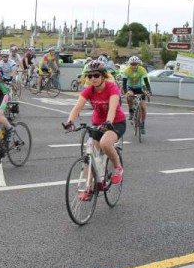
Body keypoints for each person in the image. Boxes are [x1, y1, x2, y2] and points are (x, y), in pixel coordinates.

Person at [64, 61, 125, 199]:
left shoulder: (112, 88)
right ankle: (88, 187)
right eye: (89, 76)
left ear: (103, 76)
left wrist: (108, 122)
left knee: (105, 143)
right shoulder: (89, 90)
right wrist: (70, 122)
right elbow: (77, 107)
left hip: (115, 122)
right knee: (89, 153)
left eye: (96, 75)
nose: (92, 78)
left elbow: (113, 108)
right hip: (97, 123)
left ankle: (117, 168)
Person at [122, 55, 152, 134]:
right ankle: (131, 111)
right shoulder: (126, 71)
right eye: (132, 64)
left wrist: (149, 91)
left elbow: (146, 82)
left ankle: (142, 124)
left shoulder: (142, 70)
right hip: (130, 87)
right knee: (129, 96)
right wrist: (125, 93)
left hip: (139, 88)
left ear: (138, 64)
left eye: (135, 64)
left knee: (143, 107)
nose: (134, 66)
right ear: (130, 65)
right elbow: (124, 83)